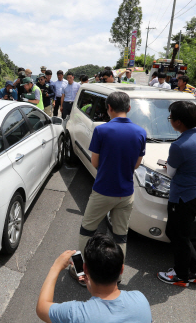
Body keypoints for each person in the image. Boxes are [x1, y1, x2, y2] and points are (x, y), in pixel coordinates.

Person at [72, 92, 146, 286]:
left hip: (103, 190)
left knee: (87, 229)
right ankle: (117, 276)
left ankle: (84, 273)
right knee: (120, 235)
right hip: (126, 193)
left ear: (109, 109)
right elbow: (137, 164)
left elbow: (94, 161)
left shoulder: (102, 131)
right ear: (129, 108)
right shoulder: (140, 132)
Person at [36, 233, 152, 323]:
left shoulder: (77, 314)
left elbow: (42, 308)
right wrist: (93, 290)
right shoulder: (140, 300)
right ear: (121, 269)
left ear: (85, 269)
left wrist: (55, 267)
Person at [158, 101, 196, 287]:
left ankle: (180, 275)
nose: (170, 121)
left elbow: (171, 173)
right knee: (181, 234)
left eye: (170, 118)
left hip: (182, 196)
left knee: (176, 235)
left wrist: (168, 165)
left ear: (178, 122)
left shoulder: (179, 145)